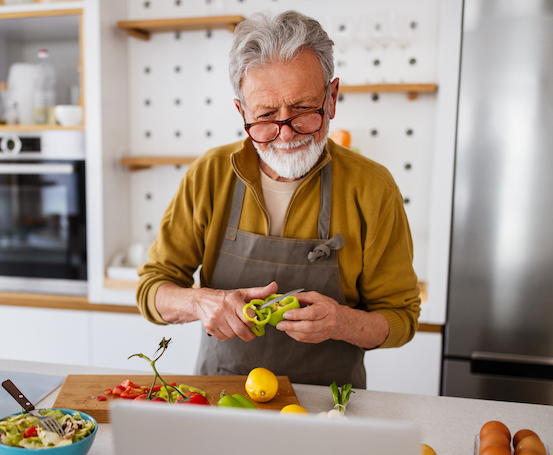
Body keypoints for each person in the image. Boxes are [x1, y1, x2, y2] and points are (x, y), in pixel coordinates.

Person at [135, 10, 421, 388]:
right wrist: (200, 302)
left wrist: (344, 322)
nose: (286, 134)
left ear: (331, 98)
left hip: (328, 406)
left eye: (303, 110)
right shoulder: (210, 174)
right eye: (267, 115)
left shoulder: (373, 188)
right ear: (242, 112)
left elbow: (402, 318)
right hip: (222, 395)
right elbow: (152, 289)